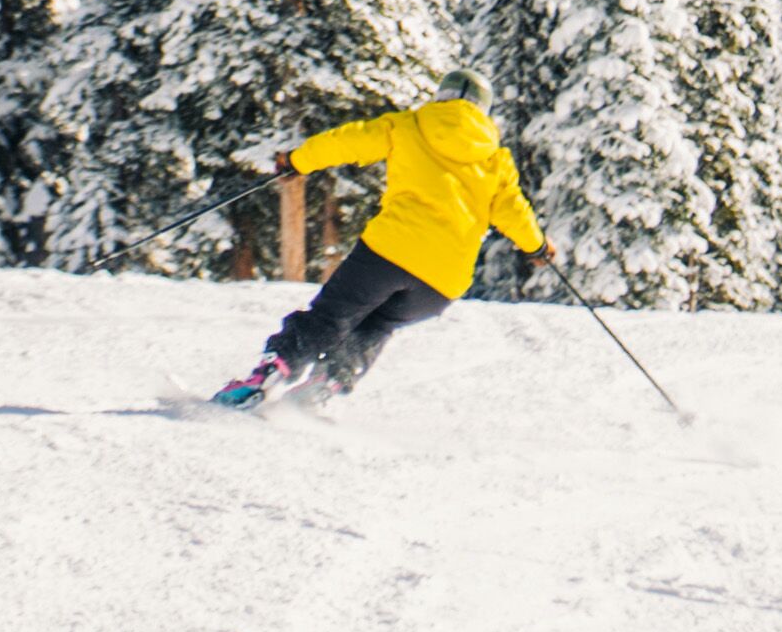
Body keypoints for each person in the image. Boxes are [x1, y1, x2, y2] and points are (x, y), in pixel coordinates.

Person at [212, 72, 547, 407]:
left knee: (331, 317)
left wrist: (298, 161)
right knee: (378, 323)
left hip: (389, 254)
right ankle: (331, 380)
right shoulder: (495, 158)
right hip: (441, 283)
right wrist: (538, 247)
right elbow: (514, 211)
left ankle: (273, 373)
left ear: (441, 95)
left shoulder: (410, 125)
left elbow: (347, 141)